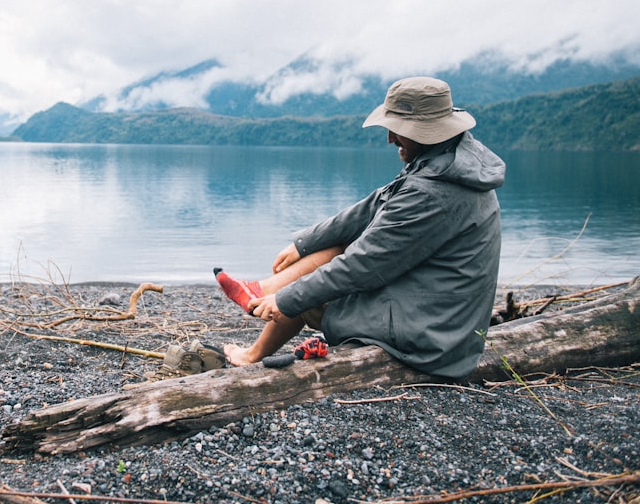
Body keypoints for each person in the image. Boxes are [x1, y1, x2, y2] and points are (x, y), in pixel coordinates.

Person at [214, 76, 506, 380]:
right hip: (440, 314)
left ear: (426, 131)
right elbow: (374, 205)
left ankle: (253, 352)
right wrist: (304, 243)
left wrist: (287, 300)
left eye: (398, 130)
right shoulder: (447, 157)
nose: (391, 139)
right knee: (331, 248)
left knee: (312, 290)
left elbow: (362, 265)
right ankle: (261, 290)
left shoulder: (434, 191)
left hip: (431, 338)